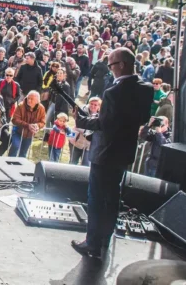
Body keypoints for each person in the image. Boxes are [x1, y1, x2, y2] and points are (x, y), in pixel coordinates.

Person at [72, 48, 153, 261]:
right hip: (124, 151)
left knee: (97, 198)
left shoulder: (113, 92)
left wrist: (82, 121)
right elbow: (139, 117)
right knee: (112, 198)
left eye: (111, 65)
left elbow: (106, 124)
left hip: (105, 152)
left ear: (122, 65)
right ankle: (104, 241)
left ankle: (92, 243)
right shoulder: (145, 89)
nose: (110, 70)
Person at [8, 91, 46, 158]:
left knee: (23, 153)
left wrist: (37, 125)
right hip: (18, 131)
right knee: (15, 146)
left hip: (29, 134)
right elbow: (15, 120)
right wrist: (28, 125)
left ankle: (21, 167)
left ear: (37, 101)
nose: (29, 100)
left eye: (31, 99)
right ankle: (9, 162)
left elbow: (43, 122)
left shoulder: (41, 108)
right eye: (28, 98)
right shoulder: (21, 106)